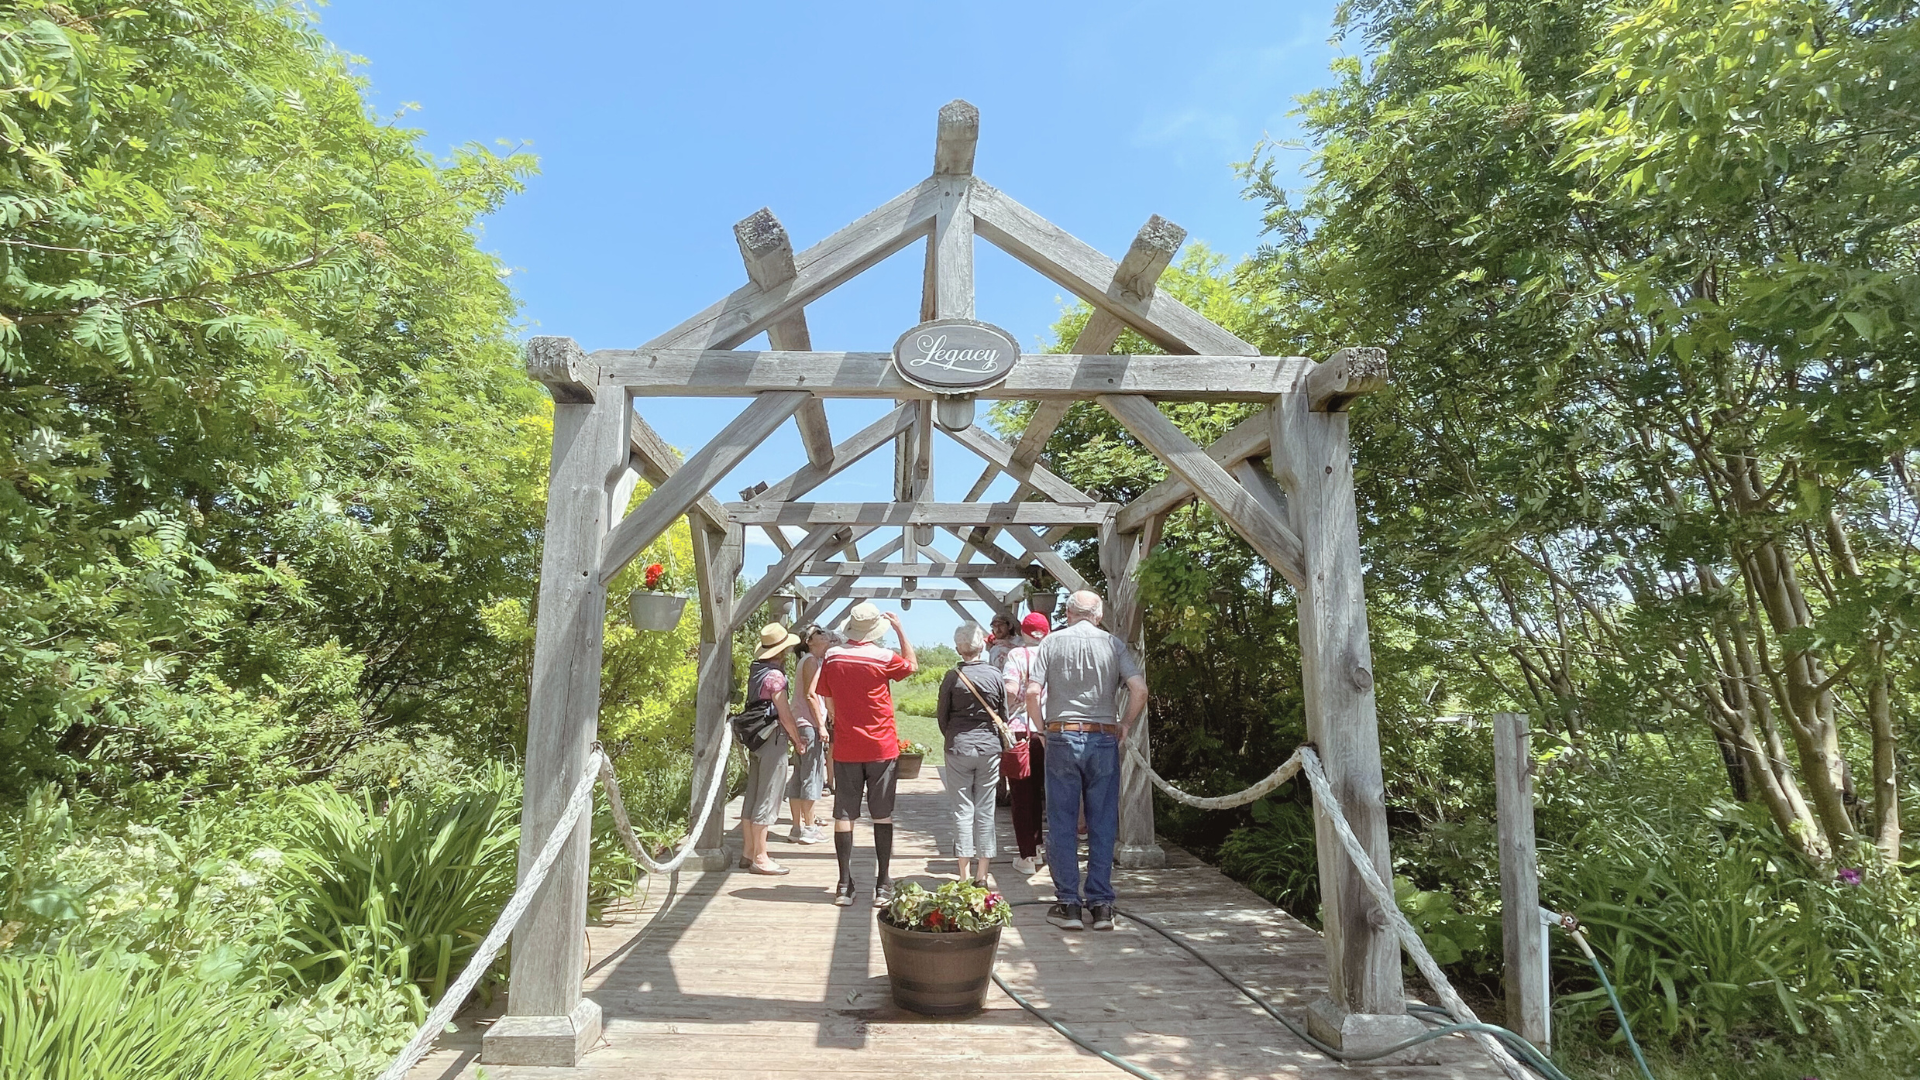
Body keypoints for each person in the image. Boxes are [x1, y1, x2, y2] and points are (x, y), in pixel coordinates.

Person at [1025, 590, 1146, 932]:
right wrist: (1125, 724)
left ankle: (1068, 905)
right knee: (1103, 821)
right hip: (1104, 734)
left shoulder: (1051, 642)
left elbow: (1033, 693)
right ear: (1099, 613)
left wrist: (1041, 729)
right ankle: (1102, 905)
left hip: (1062, 733)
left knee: (1062, 822)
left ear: (1067, 612)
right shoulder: (1113, 644)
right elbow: (1140, 690)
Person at [818, 602, 916, 908]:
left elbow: (827, 698)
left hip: (847, 746)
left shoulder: (832, 656)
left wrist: (839, 721)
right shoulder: (884, 657)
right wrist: (900, 628)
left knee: (844, 815)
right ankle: (882, 885)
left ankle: (844, 884)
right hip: (881, 746)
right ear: (875, 629)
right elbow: (911, 665)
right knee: (882, 814)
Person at [937, 623, 1004, 886]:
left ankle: (963, 874)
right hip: (989, 747)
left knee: (962, 810)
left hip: (958, 746)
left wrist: (953, 735)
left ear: (958, 648)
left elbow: (942, 715)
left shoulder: (951, 677)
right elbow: (1003, 714)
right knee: (985, 810)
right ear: (982, 646)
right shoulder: (995, 675)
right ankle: (982, 874)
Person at [740, 623, 807, 876]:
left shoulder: (756, 670)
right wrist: (797, 740)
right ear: (783, 650)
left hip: (755, 739)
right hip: (772, 740)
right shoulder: (776, 677)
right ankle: (761, 856)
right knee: (768, 798)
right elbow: (785, 714)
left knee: (753, 795)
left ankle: (748, 851)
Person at [1001, 611, 1051, 877]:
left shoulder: (1017, 655)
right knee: (1045, 792)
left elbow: (1010, 689)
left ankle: (1027, 855)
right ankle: (1041, 845)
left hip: (1021, 731)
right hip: (1051, 730)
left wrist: (1006, 710)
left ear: (1022, 632)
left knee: (1022, 795)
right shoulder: (1055, 655)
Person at [784, 624, 834, 845]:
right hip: (809, 725)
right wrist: (821, 725)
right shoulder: (812, 661)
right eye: (818, 634)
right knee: (812, 777)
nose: (824, 635)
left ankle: (796, 827)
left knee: (799, 775)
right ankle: (809, 828)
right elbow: (811, 695)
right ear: (809, 641)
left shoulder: (810, 661)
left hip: (801, 723)